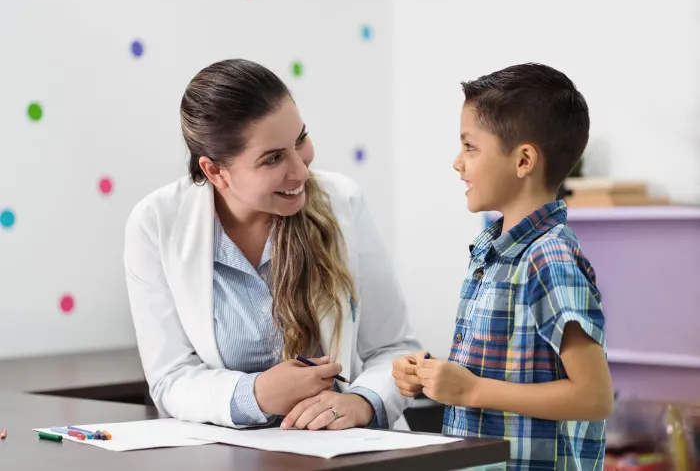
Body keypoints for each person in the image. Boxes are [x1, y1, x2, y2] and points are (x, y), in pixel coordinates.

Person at [124, 58, 420, 431]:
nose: (301, 171)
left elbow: (396, 350)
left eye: (300, 140)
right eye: (273, 158)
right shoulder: (155, 223)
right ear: (215, 171)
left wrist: (361, 402)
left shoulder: (342, 201)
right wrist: (257, 394)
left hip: (345, 450)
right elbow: (170, 377)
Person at [392, 63, 614, 469]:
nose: (457, 163)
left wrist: (472, 391)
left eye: (470, 147)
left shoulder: (549, 259)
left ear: (524, 159)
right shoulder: (493, 254)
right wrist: (430, 377)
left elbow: (594, 397)